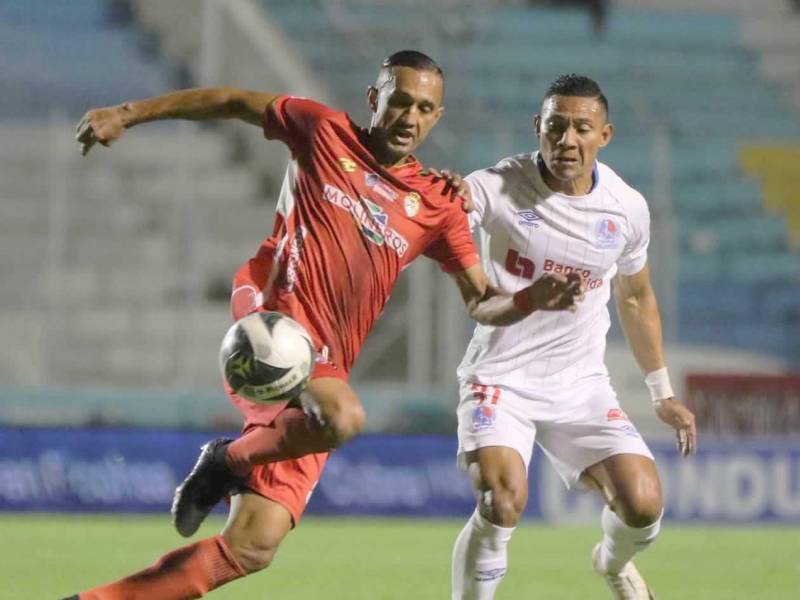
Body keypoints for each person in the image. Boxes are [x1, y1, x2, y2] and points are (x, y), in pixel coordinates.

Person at [63, 51, 583, 600]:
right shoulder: (323, 131)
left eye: (425, 108)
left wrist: (529, 299)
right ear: (373, 98)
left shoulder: (436, 204)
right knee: (343, 414)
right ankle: (227, 460)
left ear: (438, 116)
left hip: (323, 364)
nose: (410, 117)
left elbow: (481, 300)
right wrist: (129, 112)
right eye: (400, 100)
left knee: (252, 546)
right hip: (269, 320)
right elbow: (234, 101)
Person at [447, 74, 697, 600]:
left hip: (579, 384)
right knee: (501, 496)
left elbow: (636, 297)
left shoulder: (626, 208)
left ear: (604, 135)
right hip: (500, 377)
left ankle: (613, 564)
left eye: (582, 128)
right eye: (556, 126)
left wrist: (662, 392)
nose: (567, 140)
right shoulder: (500, 184)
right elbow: (454, 203)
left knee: (643, 501)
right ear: (537, 128)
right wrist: (446, 193)